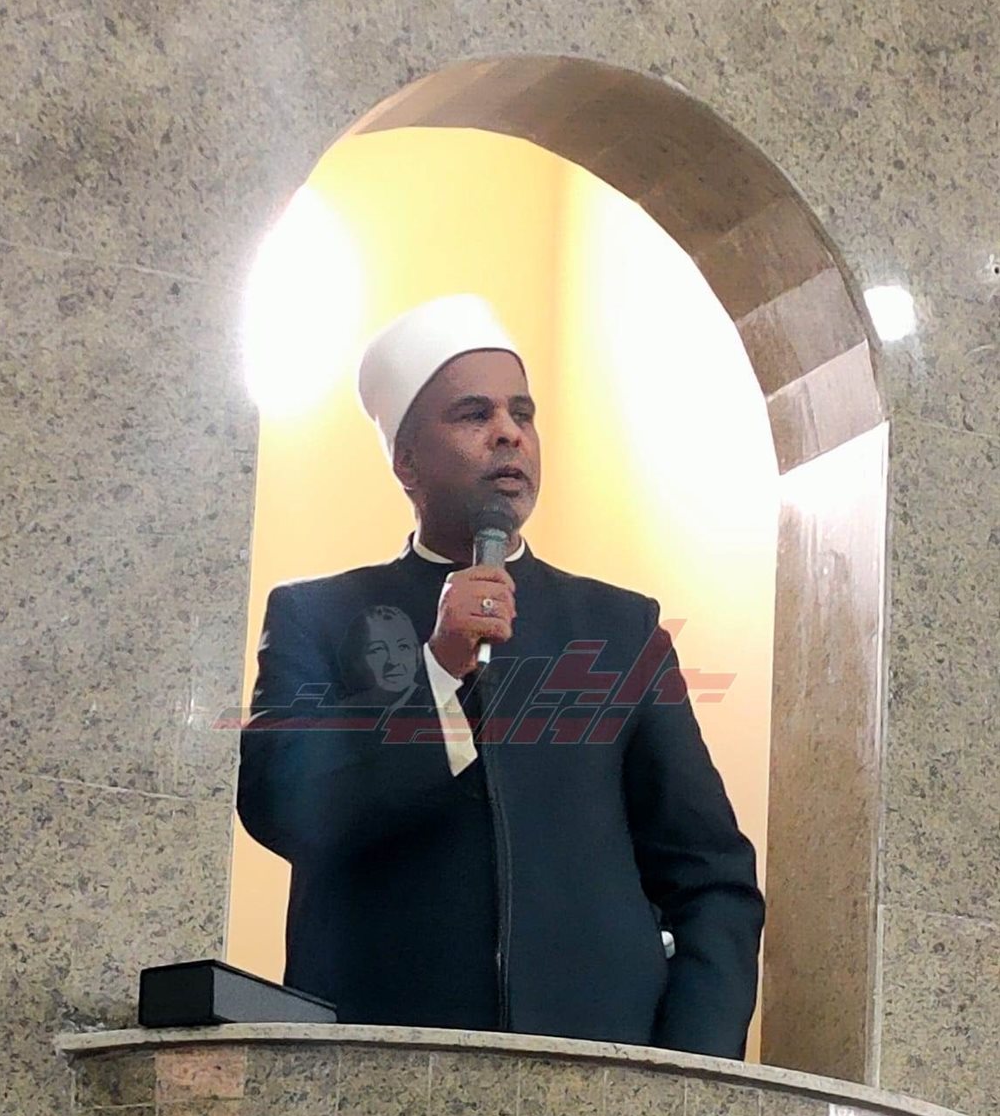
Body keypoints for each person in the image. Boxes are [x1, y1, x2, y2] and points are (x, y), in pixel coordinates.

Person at [236, 293, 765, 1057]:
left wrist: (688, 1067)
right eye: (473, 414)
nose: (509, 433)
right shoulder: (318, 616)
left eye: (522, 413)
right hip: (378, 1071)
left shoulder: (619, 630)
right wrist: (438, 670)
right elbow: (283, 809)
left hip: (598, 1079)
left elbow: (711, 876)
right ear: (407, 461)